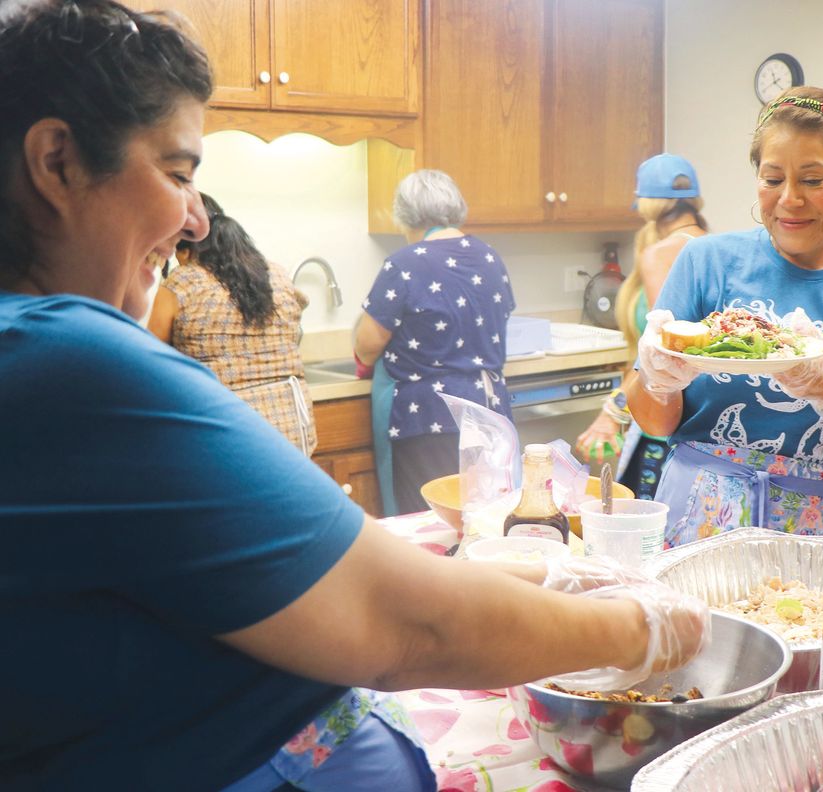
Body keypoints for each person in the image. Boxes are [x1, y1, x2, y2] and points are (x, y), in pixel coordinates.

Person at [0, 3, 709, 789]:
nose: (196, 220)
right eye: (176, 173)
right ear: (57, 162)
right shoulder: (68, 361)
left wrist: (553, 579)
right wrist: (641, 628)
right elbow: (408, 622)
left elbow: (314, 573)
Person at [627, 87, 823, 547]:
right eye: (773, 180)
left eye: (813, 181)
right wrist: (658, 379)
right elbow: (656, 423)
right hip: (697, 527)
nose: (790, 199)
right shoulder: (705, 262)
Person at [353, 169, 514, 515]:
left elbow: (367, 345)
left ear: (405, 215)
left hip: (428, 417)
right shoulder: (490, 258)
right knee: (484, 518)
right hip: (488, 411)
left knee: (429, 523)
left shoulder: (404, 264)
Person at [575, 153, 709, 500]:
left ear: (646, 203)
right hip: (698, 418)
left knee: (643, 534)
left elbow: (660, 352)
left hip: (662, 419)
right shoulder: (711, 248)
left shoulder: (661, 254)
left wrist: (613, 412)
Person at [147, 191, 318, 456]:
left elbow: (151, 360)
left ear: (185, 246)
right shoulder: (276, 273)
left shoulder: (182, 283)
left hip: (226, 432)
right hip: (293, 428)